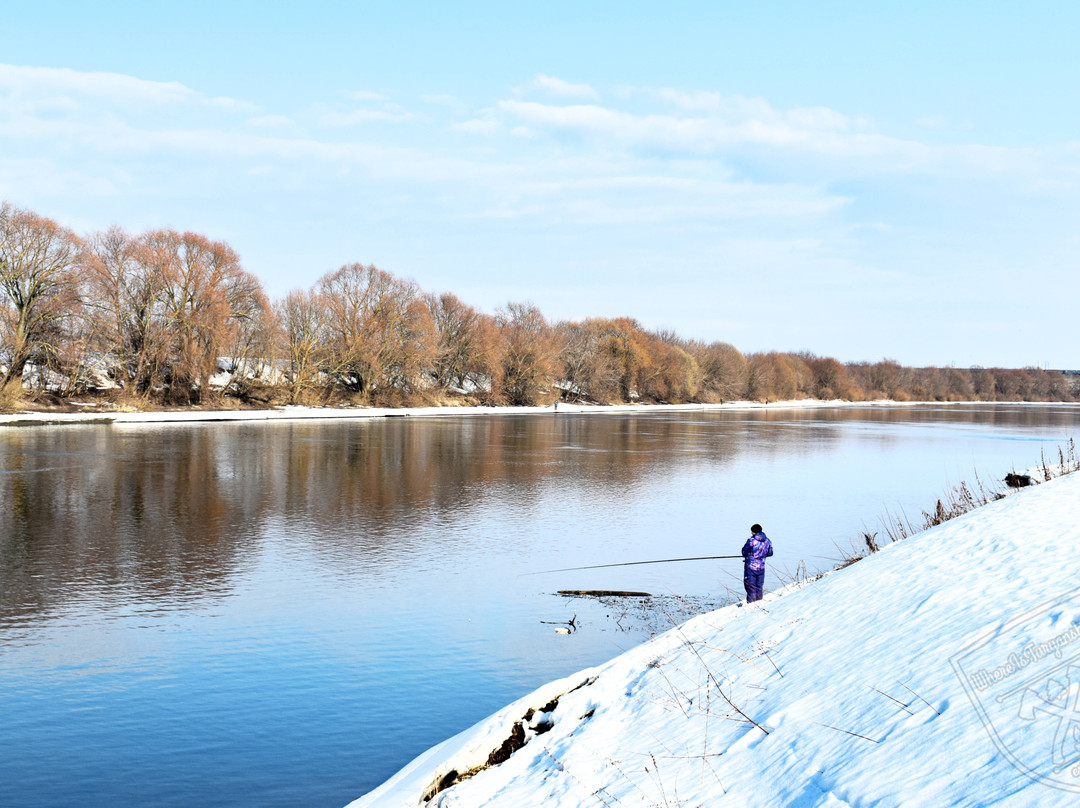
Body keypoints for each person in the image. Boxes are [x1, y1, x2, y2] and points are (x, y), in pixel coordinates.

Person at [741, 523, 773, 603]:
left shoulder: (751, 540)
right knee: (759, 587)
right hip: (761, 567)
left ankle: (751, 605)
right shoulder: (767, 541)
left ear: (754, 532)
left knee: (751, 587)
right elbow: (770, 553)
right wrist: (762, 555)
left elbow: (744, 552)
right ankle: (759, 604)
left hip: (750, 567)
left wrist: (750, 555)